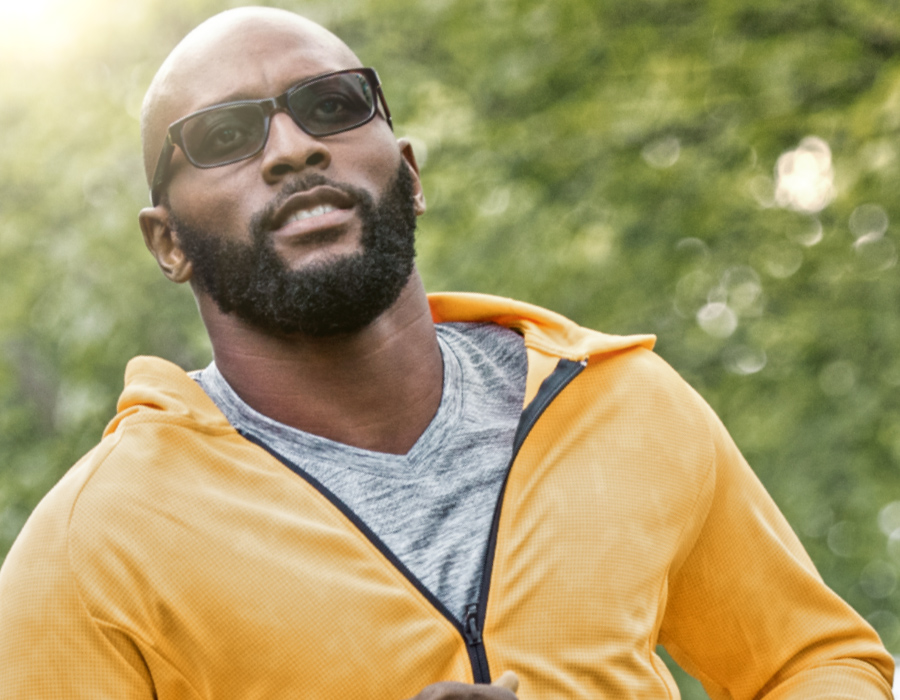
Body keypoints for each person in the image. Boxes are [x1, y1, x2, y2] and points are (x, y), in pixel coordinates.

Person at [0, 6, 893, 699]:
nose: (295, 148)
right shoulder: (94, 546)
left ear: (411, 173)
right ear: (168, 243)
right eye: (226, 138)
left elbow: (817, 663)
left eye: (334, 105)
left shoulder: (625, 404)